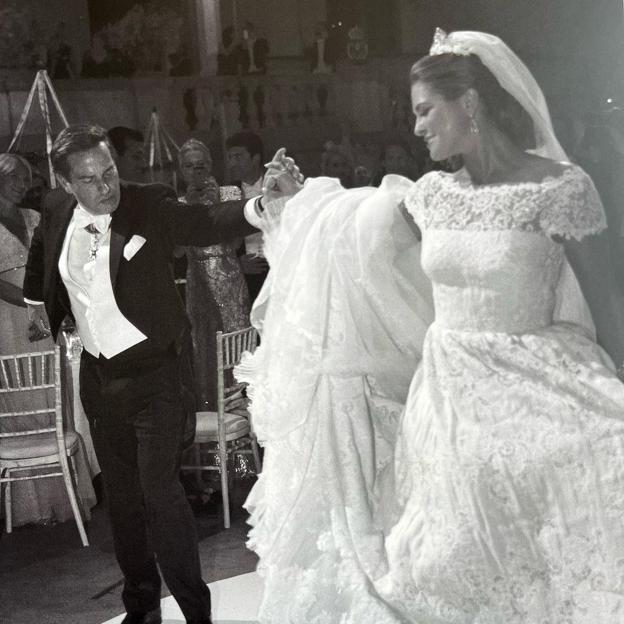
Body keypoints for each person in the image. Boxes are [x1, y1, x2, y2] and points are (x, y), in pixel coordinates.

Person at [241, 29, 624, 622]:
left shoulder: (560, 187)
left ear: (469, 104)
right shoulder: (429, 196)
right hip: (447, 402)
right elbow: (346, 226)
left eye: (424, 111)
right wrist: (295, 198)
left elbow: (611, 303)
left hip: (541, 385)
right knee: (448, 559)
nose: (416, 127)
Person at [23, 125, 263, 624]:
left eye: (108, 171)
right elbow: (43, 251)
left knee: (160, 496)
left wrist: (255, 208)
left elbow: (203, 221)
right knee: (125, 502)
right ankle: (143, 609)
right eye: (88, 180)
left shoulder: (147, 203)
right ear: (67, 185)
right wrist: (33, 304)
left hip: (157, 376)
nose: (104, 186)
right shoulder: (54, 207)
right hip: (99, 379)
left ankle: (197, 613)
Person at [177, 139, 250, 410]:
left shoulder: (230, 194)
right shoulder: (179, 203)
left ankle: (243, 419)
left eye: (201, 165)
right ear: (181, 171)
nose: (196, 171)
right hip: (197, 280)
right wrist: (190, 211)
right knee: (204, 347)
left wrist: (217, 204)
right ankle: (212, 419)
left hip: (229, 275)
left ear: (210, 166)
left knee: (236, 341)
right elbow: (175, 252)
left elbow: (236, 244)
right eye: (189, 166)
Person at [226, 131, 269, 302]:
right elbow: (221, 241)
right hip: (247, 278)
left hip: (281, 270)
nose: (232, 163)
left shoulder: (278, 185)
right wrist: (237, 263)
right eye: (230, 158)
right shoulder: (227, 193)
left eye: (238, 156)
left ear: (255, 158)